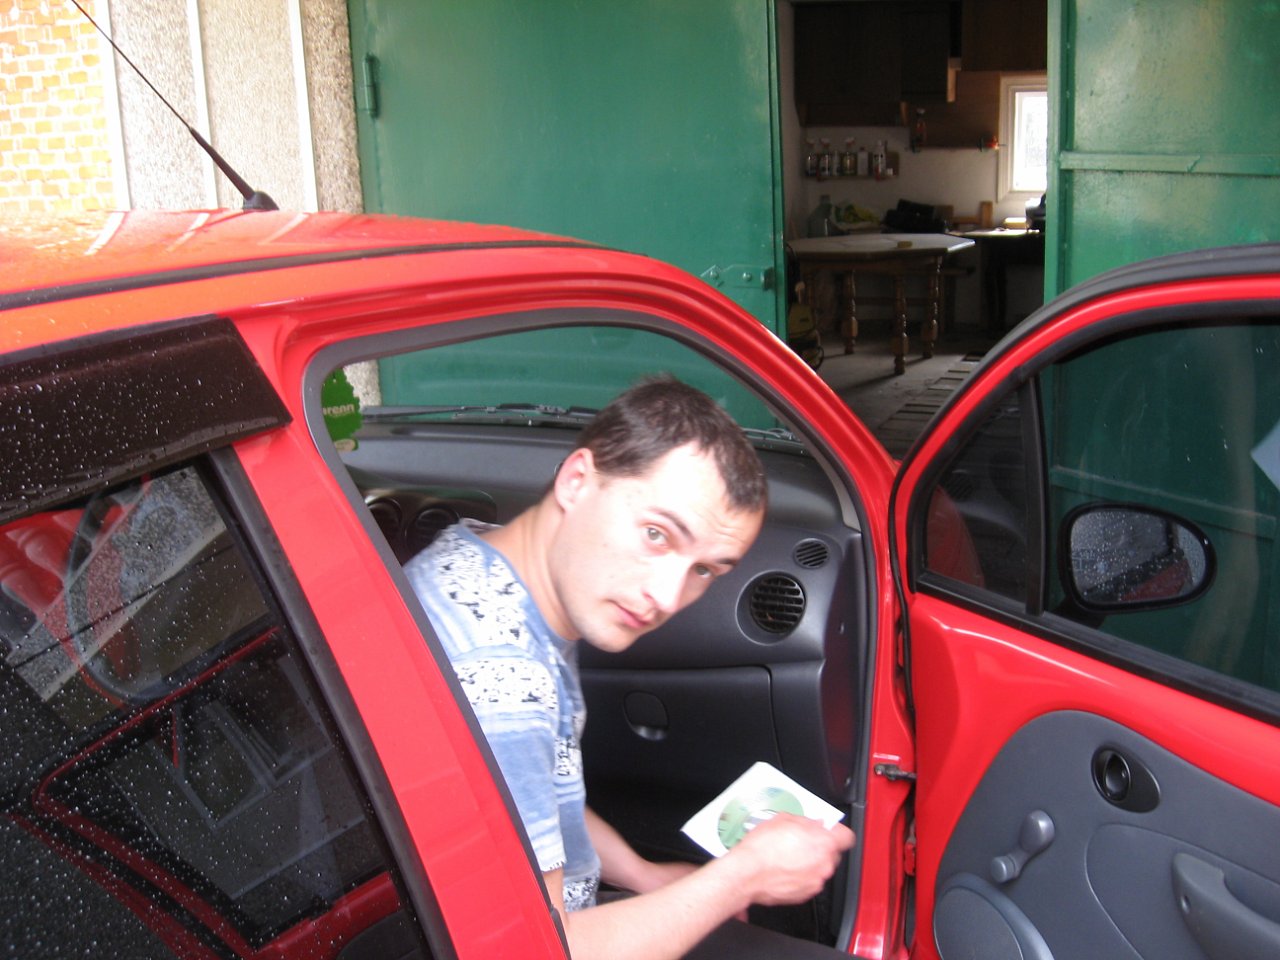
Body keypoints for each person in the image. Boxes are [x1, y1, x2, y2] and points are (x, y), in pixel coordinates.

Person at [405, 376, 854, 960]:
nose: (666, 596)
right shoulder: (503, 684)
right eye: (656, 534)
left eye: (704, 570)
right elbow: (536, 950)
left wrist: (642, 874)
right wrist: (742, 877)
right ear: (576, 481)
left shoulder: (478, 556)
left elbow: (536, 795)